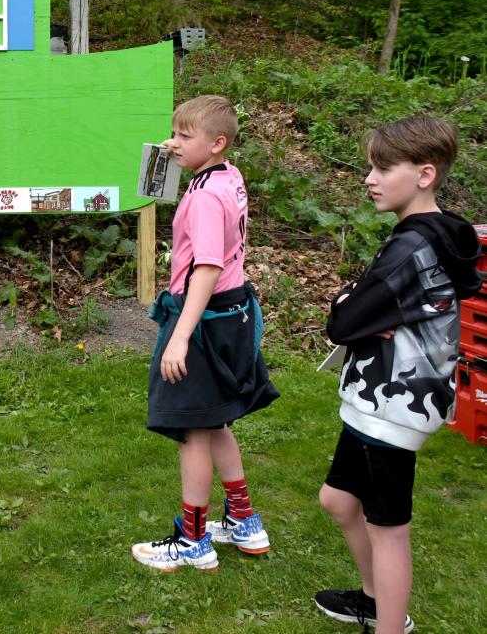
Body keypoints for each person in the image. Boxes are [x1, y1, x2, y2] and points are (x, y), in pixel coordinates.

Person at [315, 115, 481, 634]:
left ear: (425, 174)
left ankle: (389, 623)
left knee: (388, 528)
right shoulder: (434, 235)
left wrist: (348, 302)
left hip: (395, 406)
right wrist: (364, 311)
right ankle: (373, 598)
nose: (370, 177)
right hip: (379, 402)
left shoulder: (412, 248)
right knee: (339, 500)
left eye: (383, 167)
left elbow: (342, 322)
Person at [131, 95, 280, 572]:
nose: (173, 143)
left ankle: (192, 540)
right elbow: (179, 179)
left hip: (203, 317)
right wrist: (173, 151)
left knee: (193, 428)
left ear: (216, 144)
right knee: (215, 420)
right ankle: (244, 521)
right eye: (172, 133)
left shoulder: (205, 196)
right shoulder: (226, 177)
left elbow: (208, 267)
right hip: (232, 314)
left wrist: (179, 336)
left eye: (183, 137)